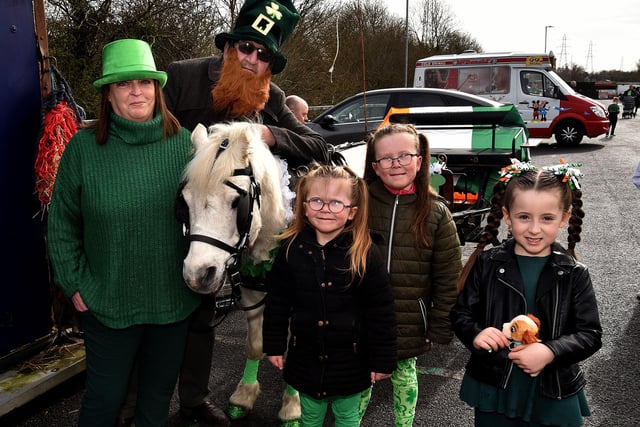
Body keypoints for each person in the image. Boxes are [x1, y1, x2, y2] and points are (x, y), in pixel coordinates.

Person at [160, 1, 331, 425]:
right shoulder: (181, 76)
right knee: (157, 317)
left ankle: (195, 399)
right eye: (247, 48)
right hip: (175, 214)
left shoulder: (269, 97)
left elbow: (317, 145)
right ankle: (133, 405)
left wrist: (270, 133)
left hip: (226, 228)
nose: (253, 60)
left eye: (264, 55)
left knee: (202, 316)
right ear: (228, 46)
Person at [46, 39, 201, 427]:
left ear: (157, 89)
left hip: (172, 301)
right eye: (124, 83)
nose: (137, 91)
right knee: (105, 398)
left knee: (156, 398)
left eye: (146, 82)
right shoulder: (83, 149)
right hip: (107, 299)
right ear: (108, 94)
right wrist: (73, 279)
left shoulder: (184, 146)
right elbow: (61, 222)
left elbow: (213, 213)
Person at [450, 159, 603, 426]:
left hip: (553, 389)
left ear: (565, 218)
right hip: (496, 386)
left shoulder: (574, 273)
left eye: (547, 218)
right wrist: (477, 334)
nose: (534, 229)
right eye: (524, 217)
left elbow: (589, 334)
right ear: (507, 216)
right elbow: (461, 313)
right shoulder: (487, 264)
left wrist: (551, 351)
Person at [262, 164, 398, 427]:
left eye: (336, 203)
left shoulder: (366, 253)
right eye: (317, 201)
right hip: (305, 360)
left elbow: (381, 311)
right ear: (304, 206)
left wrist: (382, 360)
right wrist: (273, 344)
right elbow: (277, 302)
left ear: (352, 212)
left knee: (347, 418)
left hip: (351, 362)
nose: (325, 209)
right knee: (310, 418)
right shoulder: (291, 250)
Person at [359, 124, 462, 426]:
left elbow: (448, 276)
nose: (396, 164)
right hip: (362, 316)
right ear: (375, 167)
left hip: (409, 318)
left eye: (404, 155)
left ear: (419, 161)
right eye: (386, 159)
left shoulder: (436, 213)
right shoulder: (358, 201)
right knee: (359, 381)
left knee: (405, 376)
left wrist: (440, 322)